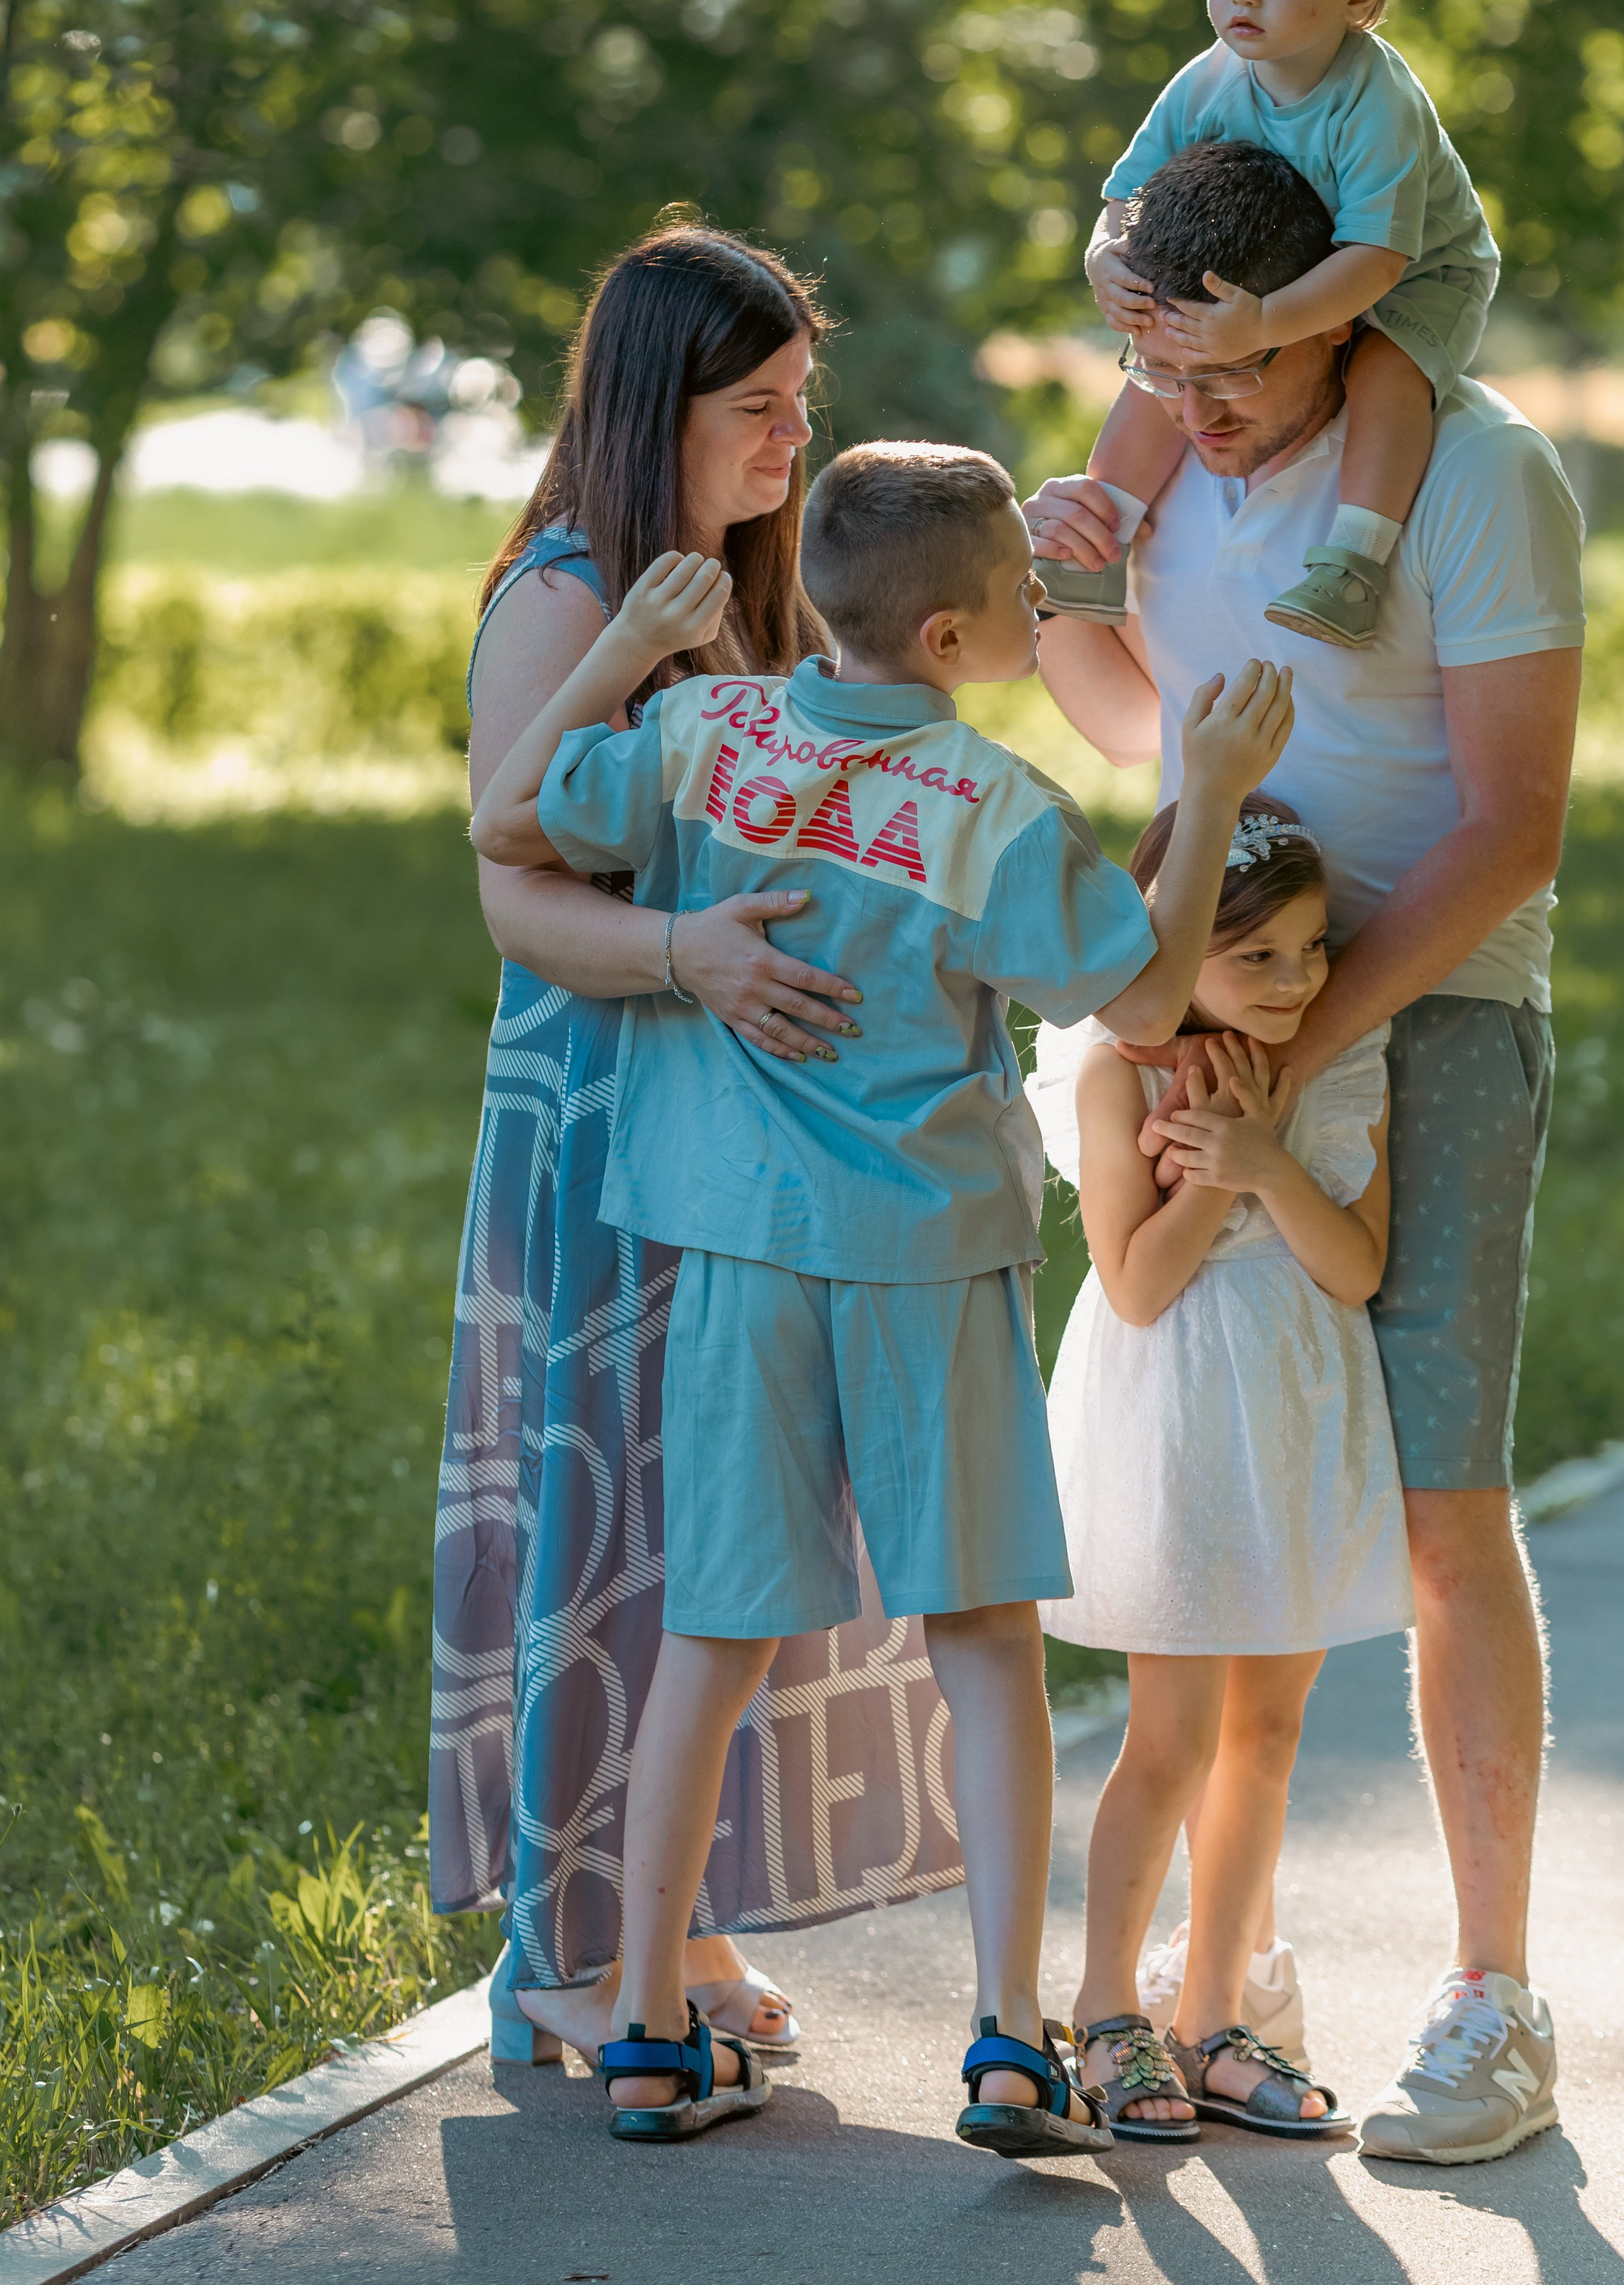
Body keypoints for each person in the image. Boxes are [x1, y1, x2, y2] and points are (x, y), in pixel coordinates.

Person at [471, 439, 1296, 2148]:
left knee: (712, 1631)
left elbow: (509, 816)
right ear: (944, 634)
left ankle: (640, 2030)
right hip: (925, 1256)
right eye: (1018, 594)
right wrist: (1206, 789)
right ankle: (1008, 2040)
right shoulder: (994, 807)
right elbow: (1141, 1001)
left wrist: (623, 652)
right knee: (982, 1638)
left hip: (738, 1250)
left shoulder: (703, 735)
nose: (1035, 609)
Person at [1026, 135, 1582, 2168]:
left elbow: (1509, 826)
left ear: (1331, 312)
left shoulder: (1478, 471)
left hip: (1417, 1020)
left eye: (1230, 369)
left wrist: (1274, 1069)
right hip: (1221, 1007)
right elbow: (1131, 715)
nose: (1195, 407)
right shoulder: (1172, 456)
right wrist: (1068, 580)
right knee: (1238, 1499)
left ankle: (1493, 1997)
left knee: (1438, 1510)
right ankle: (1218, 1975)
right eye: (1161, 366)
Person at [429, 225, 963, 2077]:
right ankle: (563, 1952)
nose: (785, 441)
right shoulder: (569, 598)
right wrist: (691, 955)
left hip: (731, 1128)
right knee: (607, 1532)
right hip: (602, 1121)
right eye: (755, 408)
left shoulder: (735, 594)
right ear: (658, 404)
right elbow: (510, 888)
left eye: (798, 405)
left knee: (709, 1526)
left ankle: (680, 1908)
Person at [1027, 793, 1411, 2142]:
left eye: (1311, 949)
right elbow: (1132, 1286)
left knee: (1269, 1731)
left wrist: (1261, 1156)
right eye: (1258, 956)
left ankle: (1213, 2014)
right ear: (1172, 948)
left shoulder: (1342, 1062)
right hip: (1183, 1418)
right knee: (1175, 1736)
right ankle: (1108, 2012)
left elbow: (1357, 1267)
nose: (1299, 980)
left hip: (1299, 1414)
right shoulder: (1113, 1076)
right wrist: (1215, 1181)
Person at [1054, 0, 1498, 651]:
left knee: (1385, 373)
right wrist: (1105, 254)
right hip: (1285, 260)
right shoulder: (1208, 79)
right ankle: (1099, 531)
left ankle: (1352, 564)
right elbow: (1126, 192)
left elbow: (1376, 258)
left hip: (1413, 271)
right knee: (1171, 356)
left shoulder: (1377, 104)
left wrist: (1263, 325)